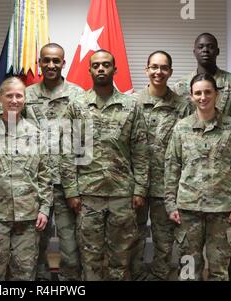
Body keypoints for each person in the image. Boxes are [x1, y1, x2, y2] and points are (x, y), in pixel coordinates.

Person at [173, 33, 231, 281]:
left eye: (211, 47)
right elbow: (174, 134)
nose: (206, 51)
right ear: (194, 50)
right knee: (190, 262)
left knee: (230, 253)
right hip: (191, 189)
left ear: (218, 51)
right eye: (201, 46)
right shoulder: (181, 86)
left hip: (224, 183)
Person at [61, 50, 149, 281]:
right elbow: (69, 150)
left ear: (114, 69)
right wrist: (71, 190)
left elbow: (140, 150)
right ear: (89, 70)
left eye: (106, 65)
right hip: (88, 194)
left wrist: (140, 189)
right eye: (96, 65)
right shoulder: (77, 106)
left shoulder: (131, 105)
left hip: (122, 193)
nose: (101, 69)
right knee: (90, 259)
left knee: (120, 259)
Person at [165, 73, 231, 281]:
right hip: (188, 211)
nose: (203, 97)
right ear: (191, 96)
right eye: (198, 93)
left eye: (207, 92)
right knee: (188, 272)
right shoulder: (181, 127)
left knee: (219, 272)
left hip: (222, 212)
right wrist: (170, 204)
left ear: (217, 94)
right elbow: (172, 167)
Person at [0, 77, 53, 281]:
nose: (14, 100)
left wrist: (44, 209)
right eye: (9, 95)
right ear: (0, 98)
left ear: (25, 99)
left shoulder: (36, 134)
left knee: (24, 274)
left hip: (29, 220)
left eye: (19, 95)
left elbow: (45, 176)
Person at [130, 51, 194, 281]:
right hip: (135, 186)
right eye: (154, 67)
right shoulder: (131, 102)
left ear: (170, 72)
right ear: (146, 70)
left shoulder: (183, 106)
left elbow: (189, 149)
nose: (159, 72)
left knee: (165, 244)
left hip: (167, 188)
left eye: (164, 68)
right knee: (132, 241)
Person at [24, 43, 84, 281]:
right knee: (35, 246)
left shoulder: (78, 95)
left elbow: (83, 140)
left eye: (56, 61)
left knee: (71, 247)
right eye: (46, 60)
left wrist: (77, 185)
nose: (51, 65)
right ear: (39, 62)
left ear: (63, 63)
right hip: (35, 185)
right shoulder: (26, 95)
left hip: (67, 185)